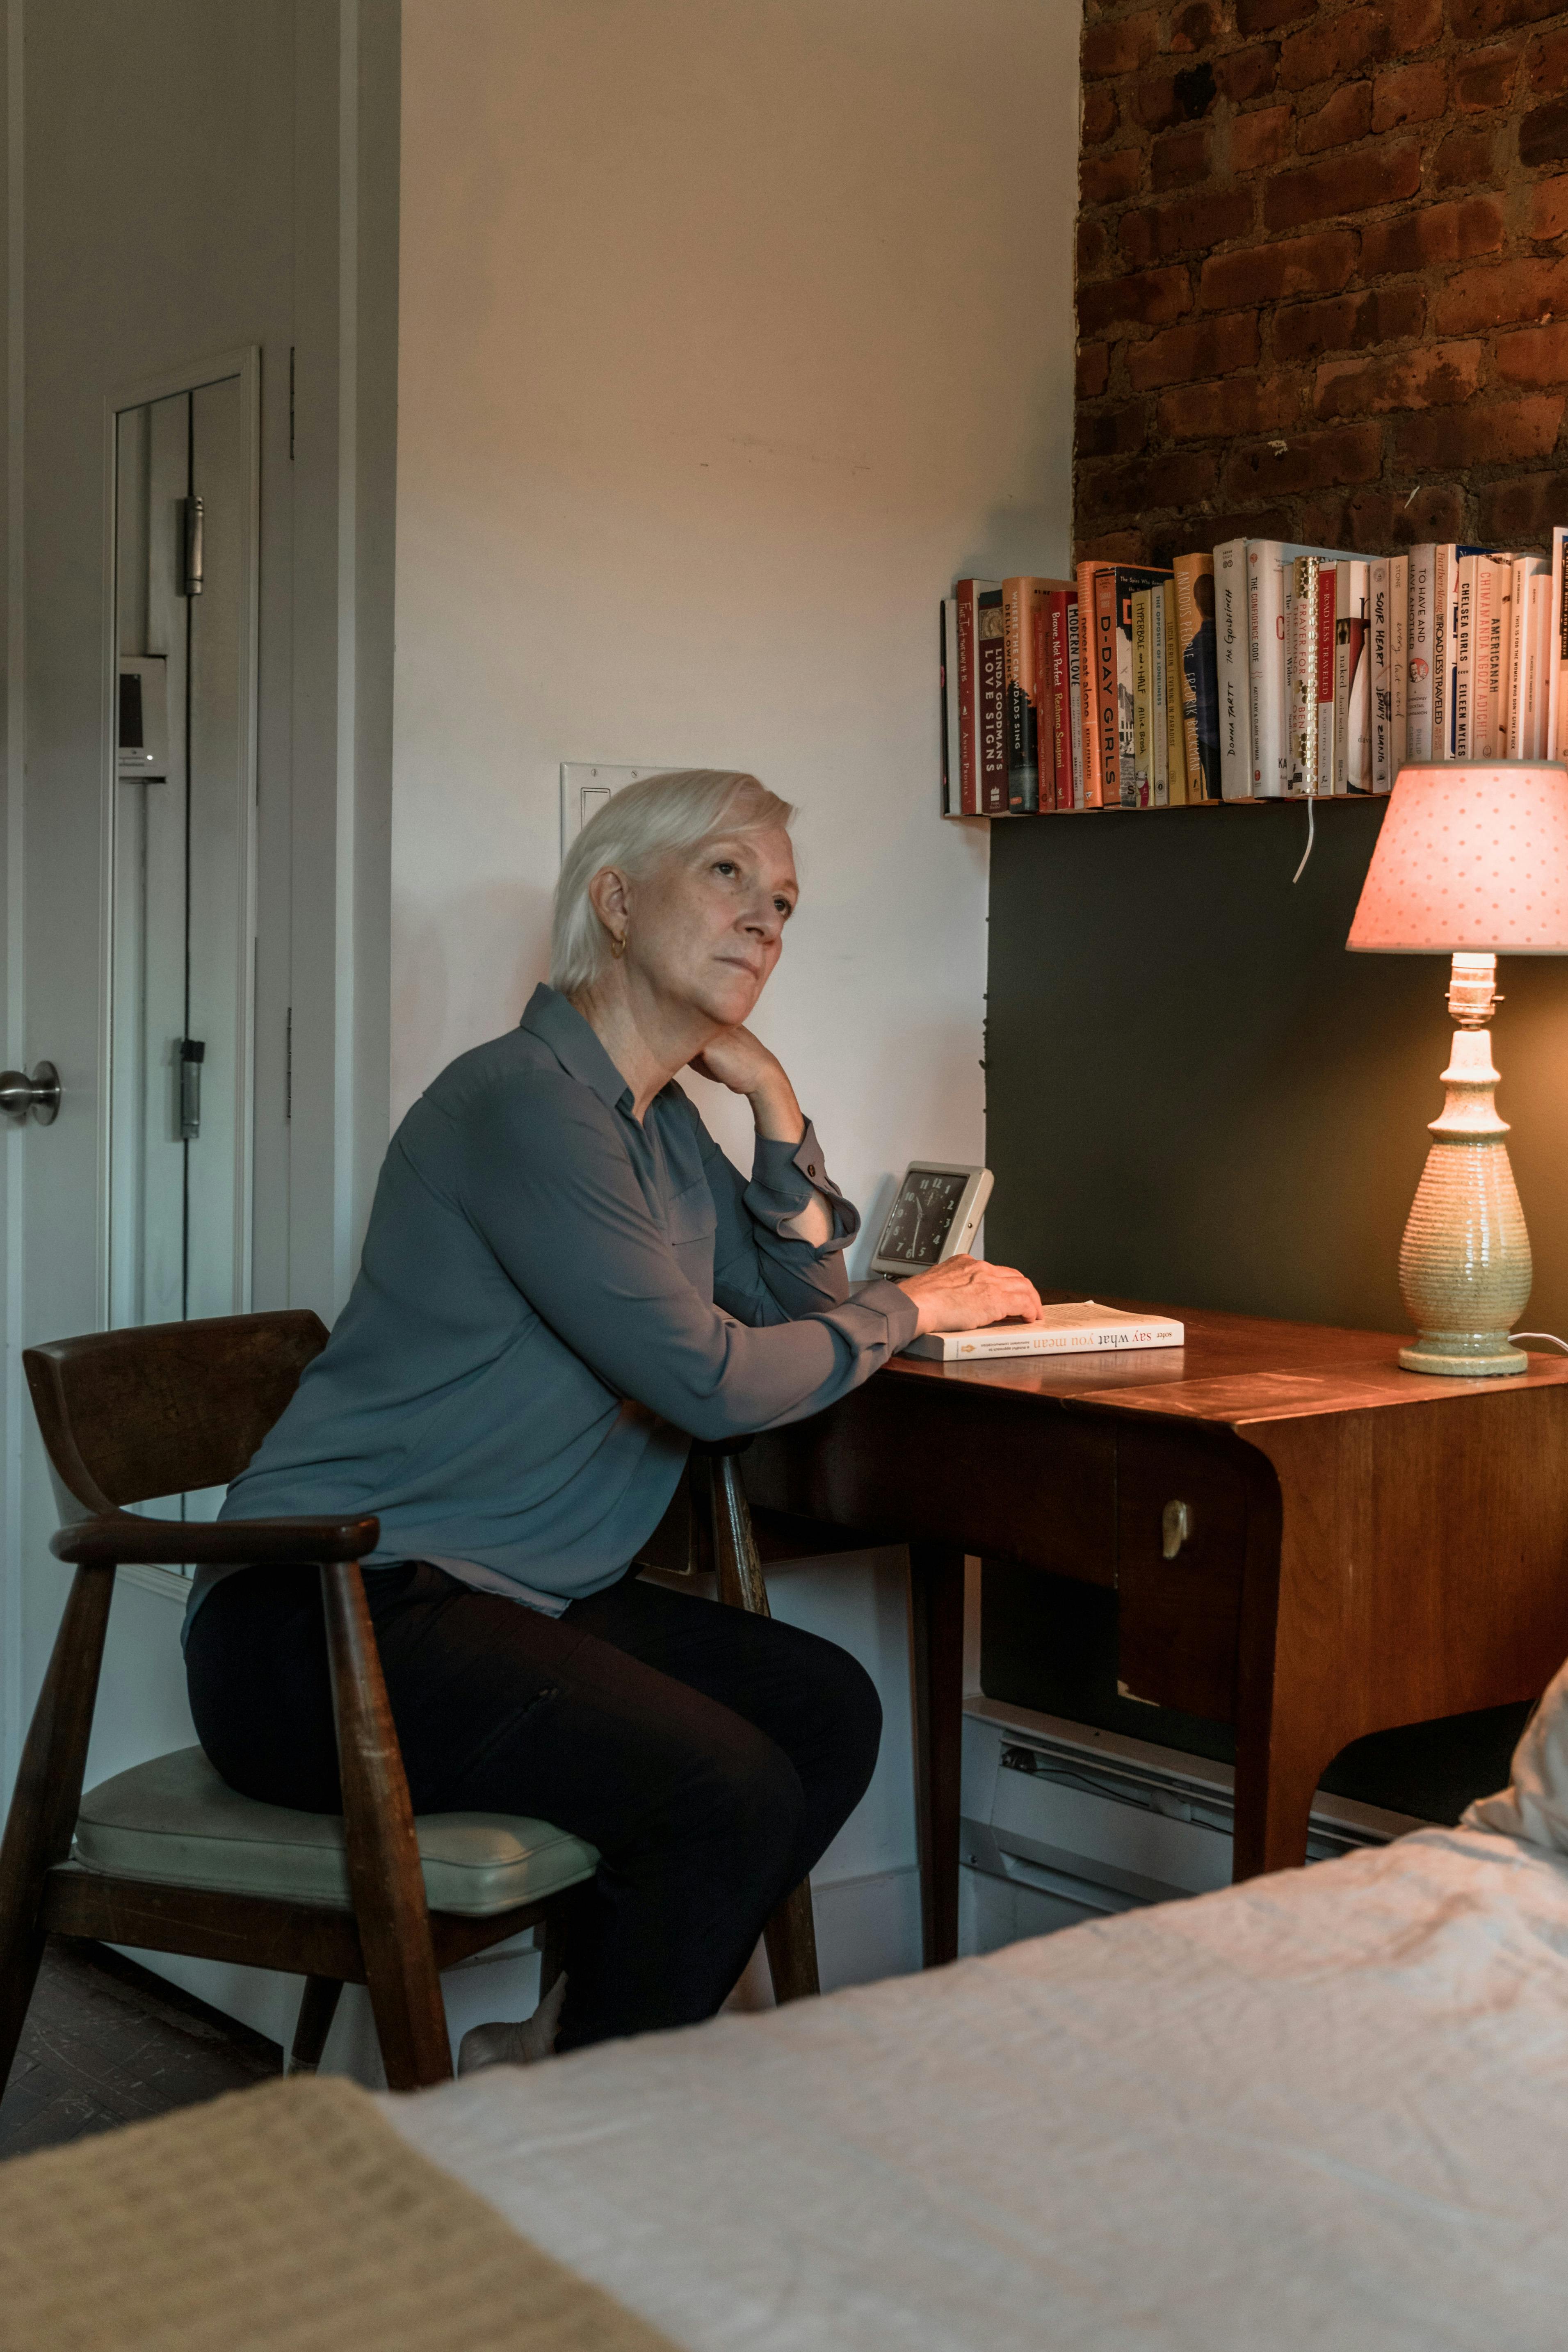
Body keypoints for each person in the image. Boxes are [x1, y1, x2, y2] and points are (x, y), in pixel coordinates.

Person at [184, 769, 1040, 2060]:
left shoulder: (656, 1127)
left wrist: (774, 1107)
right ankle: (583, 2143)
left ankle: (556, 2053)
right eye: (728, 876)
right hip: (323, 1616)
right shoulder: (524, 1102)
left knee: (824, 1709)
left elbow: (786, 1305)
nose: (767, 920)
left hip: (497, 1598)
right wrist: (913, 1310)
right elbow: (714, 1385)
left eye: (787, 903)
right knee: (725, 1790)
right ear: (618, 900)